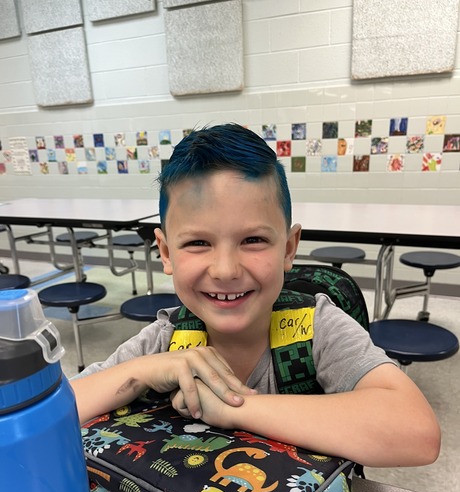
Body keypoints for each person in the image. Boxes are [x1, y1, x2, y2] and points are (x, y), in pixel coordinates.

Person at [71, 123, 440, 469]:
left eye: (253, 240)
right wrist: (141, 370)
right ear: (166, 253)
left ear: (288, 248)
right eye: (198, 243)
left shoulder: (318, 330)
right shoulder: (164, 342)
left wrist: (234, 408)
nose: (225, 270)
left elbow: (417, 433)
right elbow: (56, 413)